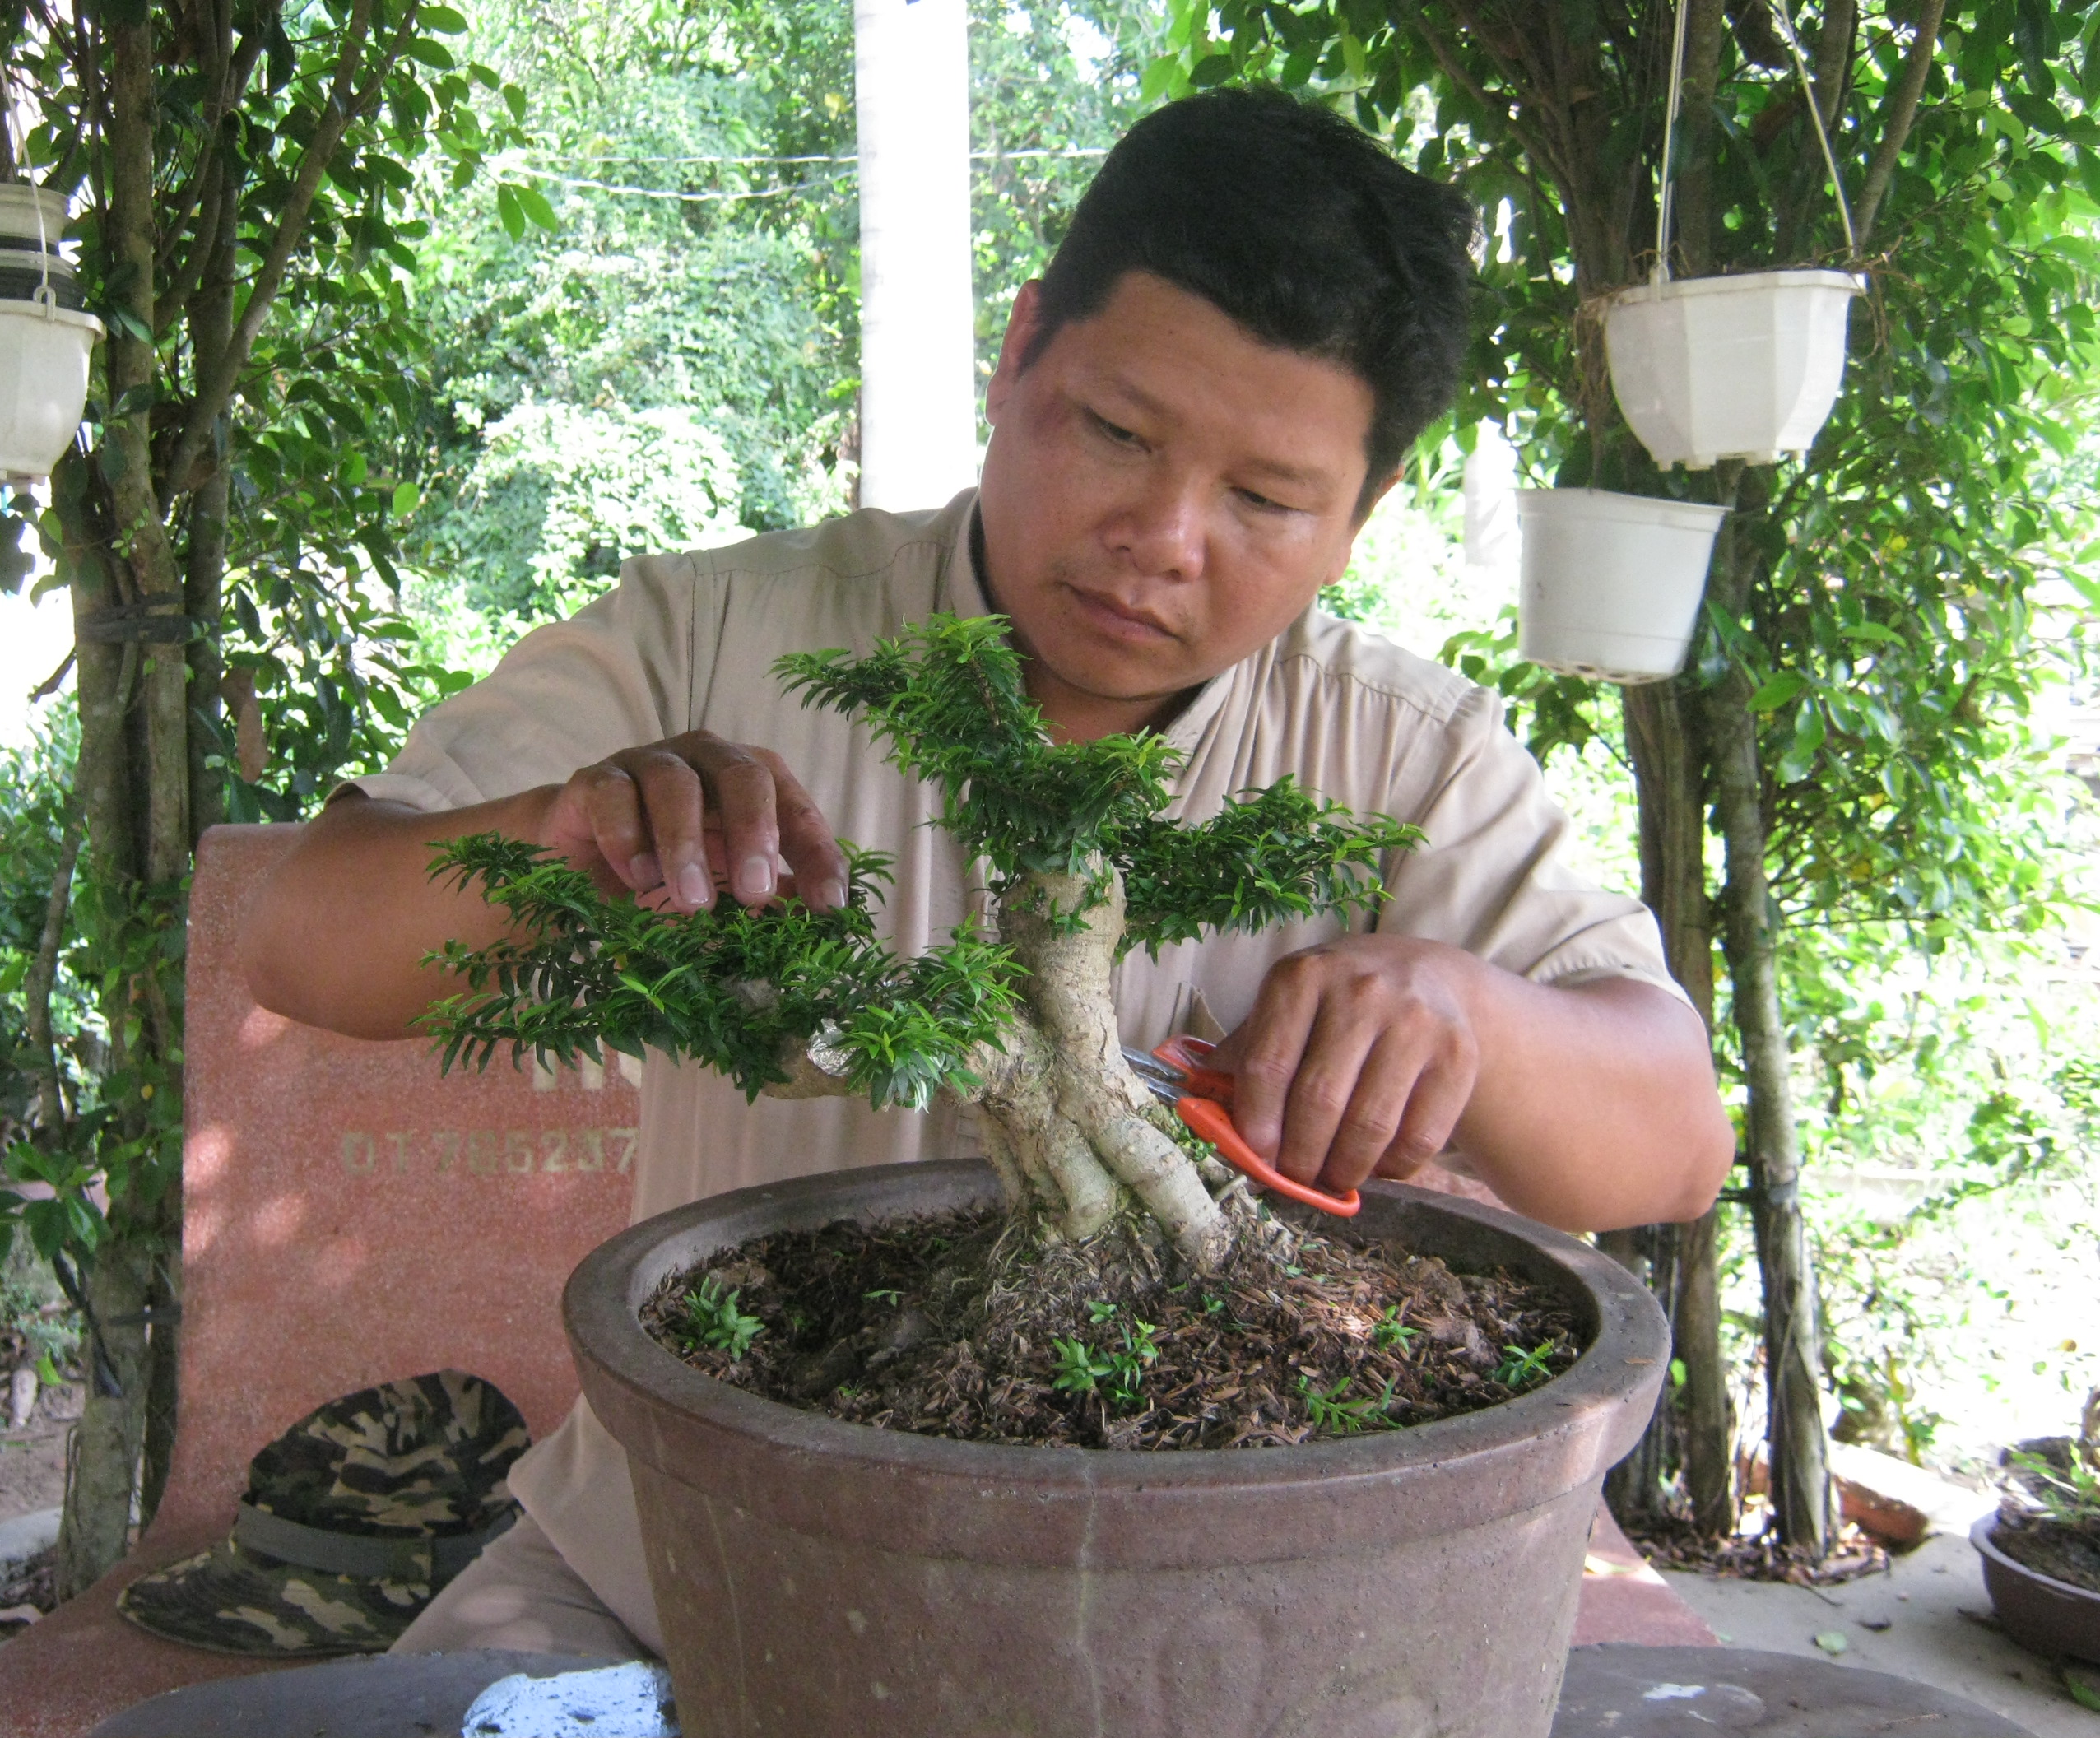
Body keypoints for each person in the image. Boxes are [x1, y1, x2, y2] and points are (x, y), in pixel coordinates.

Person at [239, 86, 1733, 1660]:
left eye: (1264, 500)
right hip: (683, 1561)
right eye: (1117, 432)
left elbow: (1671, 1141)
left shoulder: (1398, 756)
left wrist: (1473, 1013)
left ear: (1358, 520)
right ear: (1020, 352)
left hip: (1224, 1601)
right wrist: (560, 839)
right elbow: (305, 945)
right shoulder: (713, 640)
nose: (1161, 536)